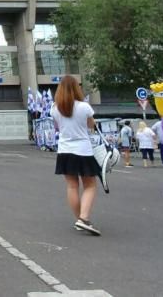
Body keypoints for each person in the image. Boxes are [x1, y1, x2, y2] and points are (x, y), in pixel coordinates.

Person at [50, 75, 102, 236]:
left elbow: (58, 129)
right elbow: (91, 125)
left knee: (72, 186)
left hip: (64, 150)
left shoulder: (55, 108)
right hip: (83, 150)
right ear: (76, 88)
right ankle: (83, 218)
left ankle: (80, 219)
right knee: (90, 185)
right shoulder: (84, 107)